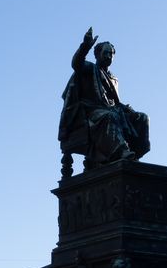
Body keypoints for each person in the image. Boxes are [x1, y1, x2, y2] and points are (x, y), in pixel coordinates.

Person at [59, 27, 150, 177]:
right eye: (106, 53)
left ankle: (135, 154)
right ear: (97, 55)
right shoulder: (89, 69)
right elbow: (76, 64)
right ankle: (121, 152)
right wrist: (85, 46)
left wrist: (127, 109)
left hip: (112, 109)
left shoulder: (114, 78)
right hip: (90, 111)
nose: (109, 56)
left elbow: (115, 101)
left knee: (142, 118)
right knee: (108, 117)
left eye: (112, 53)